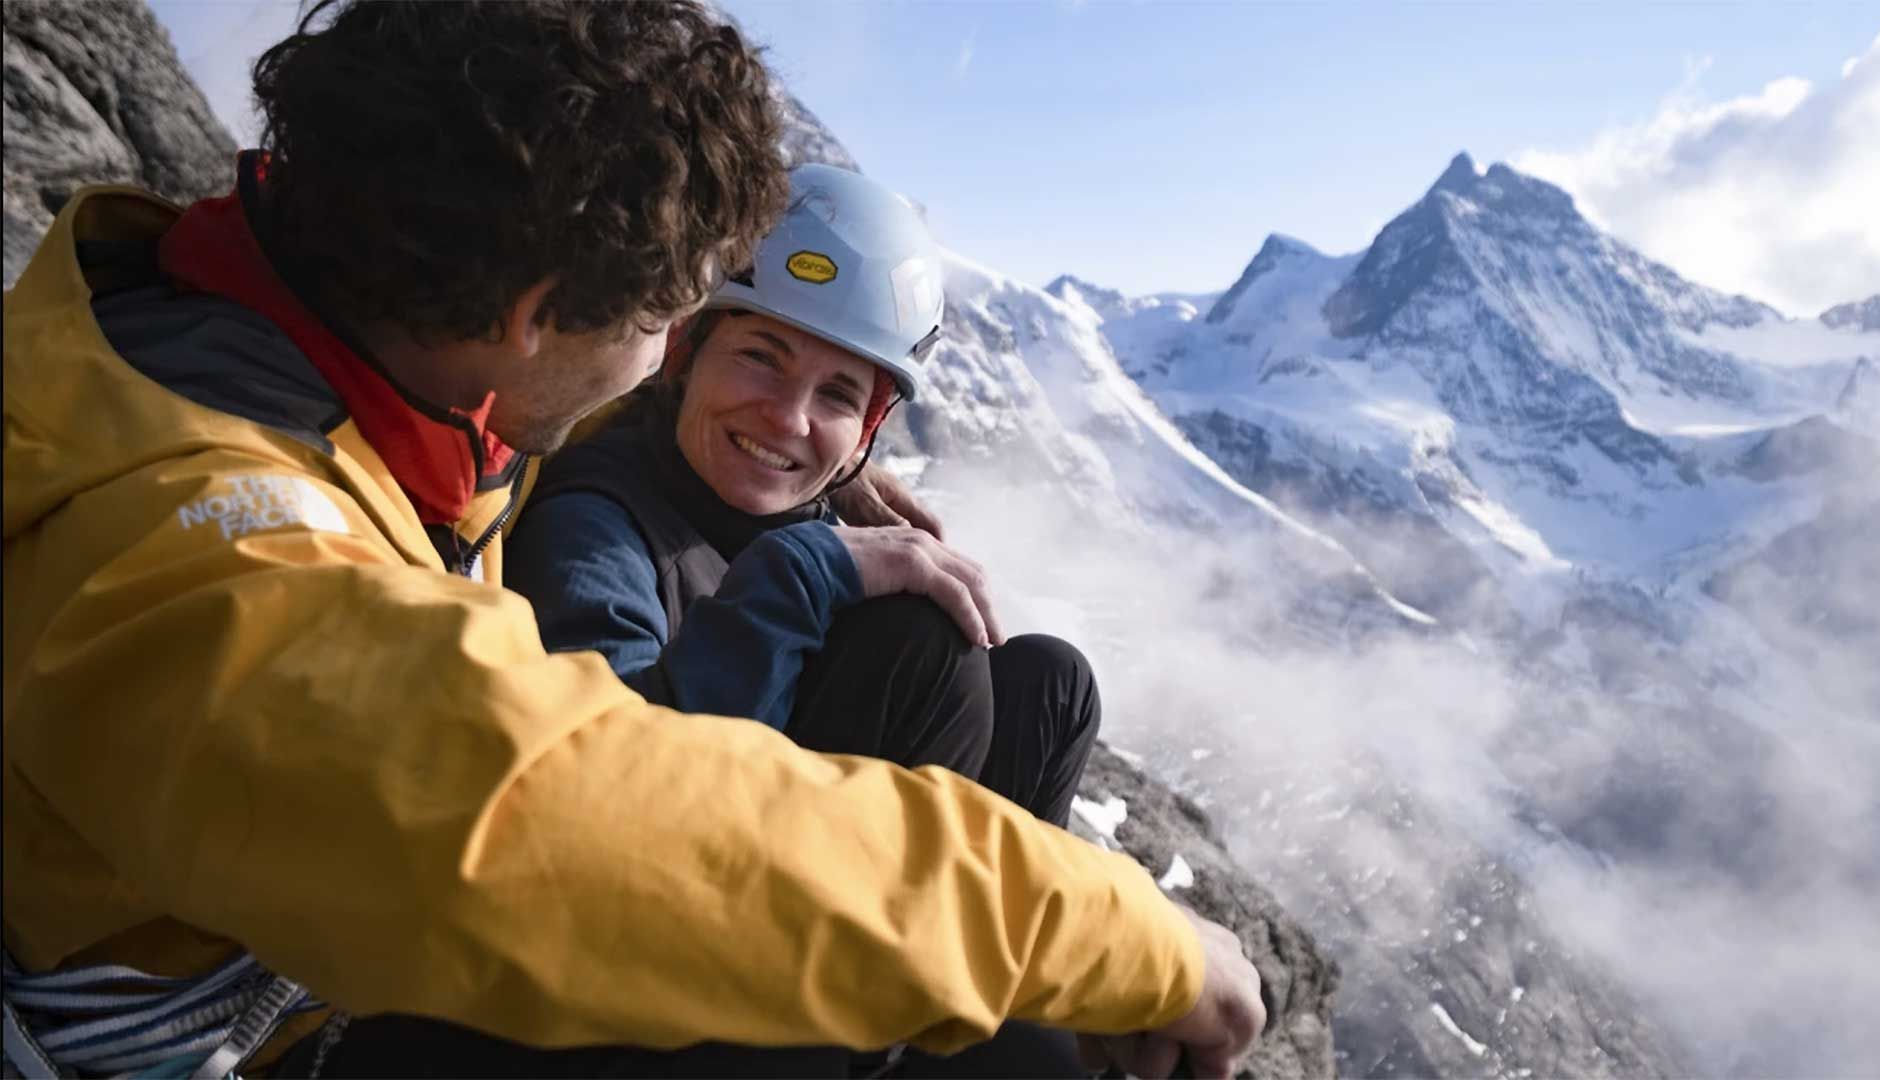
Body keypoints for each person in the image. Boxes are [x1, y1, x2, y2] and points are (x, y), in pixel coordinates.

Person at [0, 2, 1264, 1078]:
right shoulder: (210, 556)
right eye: (669, 324)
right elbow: (615, 833)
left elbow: (568, 388)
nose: (660, 364)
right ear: (535, 314)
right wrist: (1126, 935)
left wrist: (819, 471)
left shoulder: (315, 332)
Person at [503, 166, 1105, 1075]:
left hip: (796, 914)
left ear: (868, 432)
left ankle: (992, 976)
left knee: (1049, 683)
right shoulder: (598, 522)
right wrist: (806, 569)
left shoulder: (792, 507)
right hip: (657, 982)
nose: (787, 418)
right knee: (921, 650)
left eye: (836, 396)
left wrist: (821, 511)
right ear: (683, 351)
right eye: (760, 356)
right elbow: (610, 810)